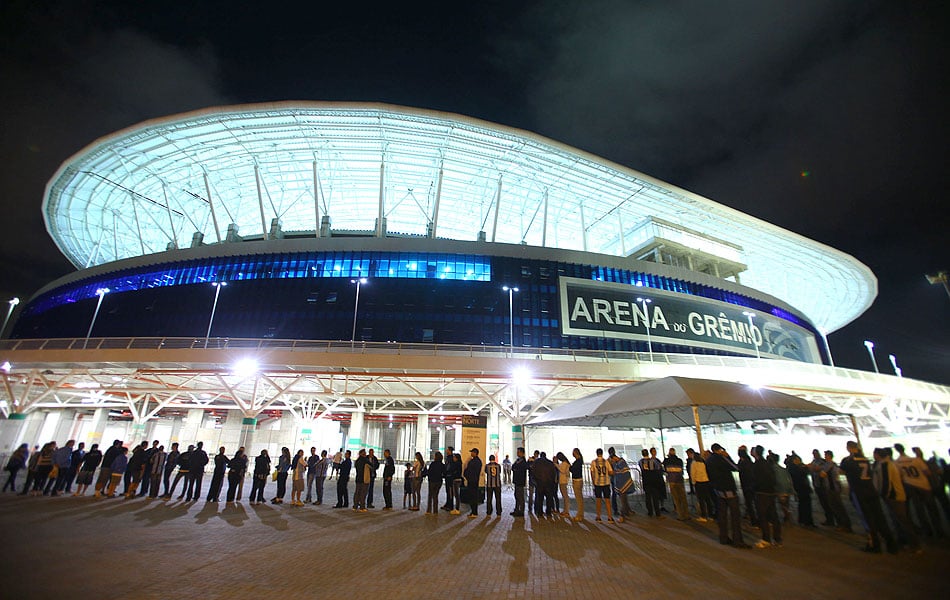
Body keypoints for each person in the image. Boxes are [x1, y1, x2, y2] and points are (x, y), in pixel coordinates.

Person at [840, 441, 896, 554]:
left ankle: (874, 544)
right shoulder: (865, 459)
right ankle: (891, 544)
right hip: (871, 489)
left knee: (867, 519)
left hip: (859, 491)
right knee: (880, 517)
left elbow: (841, 471)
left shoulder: (848, 461)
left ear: (849, 448)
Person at [874, 447, 919, 553]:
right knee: (901, 520)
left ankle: (914, 544)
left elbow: (886, 483)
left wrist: (883, 494)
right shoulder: (892, 464)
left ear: (878, 455)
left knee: (902, 520)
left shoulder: (885, 465)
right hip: (898, 494)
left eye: (875, 454)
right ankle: (906, 542)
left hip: (893, 496)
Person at [894, 443, 944, 538]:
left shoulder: (897, 463)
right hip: (924, 486)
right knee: (932, 509)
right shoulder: (916, 460)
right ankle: (939, 531)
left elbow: (899, 476)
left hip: (911, 486)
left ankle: (927, 532)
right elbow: (927, 472)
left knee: (920, 511)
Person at [706, 443, 750, 548]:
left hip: (718, 490)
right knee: (735, 516)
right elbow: (735, 467)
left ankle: (723, 537)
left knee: (722, 515)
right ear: (719, 450)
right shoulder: (722, 458)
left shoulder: (708, 460)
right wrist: (727, 456)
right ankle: (737, 540)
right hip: (729, 490)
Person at [752, 445, 782, 548]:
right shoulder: (767, 463)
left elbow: (755, 479)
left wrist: (755, 488)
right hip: (770, 493)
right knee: (773, 516)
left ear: (756, 453)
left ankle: (766, 539)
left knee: (763, 516)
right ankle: (777, 539)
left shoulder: (758, 464)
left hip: (761, 493)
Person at [822, 450, 852, 532]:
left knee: (838, 507)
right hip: (831, 487)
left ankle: (844, 524)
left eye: (826, 455)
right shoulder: (830, 464)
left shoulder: (830, 465)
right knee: (835, 507)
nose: (825, 456)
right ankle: (842, 524)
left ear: (829, 456)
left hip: (832, 488)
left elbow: (824, 474)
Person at [787, 454, 815, 526]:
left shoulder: (792, 468)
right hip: (802, 488)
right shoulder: (795, 468)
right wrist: (806, 467)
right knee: (806, 505)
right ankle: (807, 521)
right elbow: (803, 474)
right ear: (795, 460)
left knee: (802, 504)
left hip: (800, 488)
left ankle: (802, 520)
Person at [809, 449, 834, 526]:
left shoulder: (823, 462)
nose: (815, 455)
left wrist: (813, 468)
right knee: (823, 503)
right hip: (817, 485)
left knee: (827, 504)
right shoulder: (814, 461)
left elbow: (820, 470)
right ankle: (829, 519)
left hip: (823, 485)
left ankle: (831, 520)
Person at [607, 448, 633, 522]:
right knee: (623, 499)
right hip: (619, 483)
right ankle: (626, 512)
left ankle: (623, 515)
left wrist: (613, 472)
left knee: (623, 499)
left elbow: (618, 472)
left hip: (621, 483)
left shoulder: (619, 463)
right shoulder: (619, 462)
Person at [664, 448, 690, 521]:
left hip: (672, 480)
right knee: (683, 498)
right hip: (679, 480)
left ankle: (680, 515)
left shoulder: (667, 461)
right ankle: (687, 514)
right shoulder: (679, 460)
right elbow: (682, 471)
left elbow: (664, 469)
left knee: (676, 499)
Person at [591, 448, 614, 523]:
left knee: (598, 500)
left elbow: (592, 472)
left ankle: (598, 516)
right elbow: (610, 472)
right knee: (607, 500)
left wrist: (593, 481)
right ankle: (610, 517)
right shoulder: (606, 462)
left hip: (597, 483)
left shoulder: (594, 462)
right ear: (602, 453)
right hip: (606, 483)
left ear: (596, 453)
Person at [639, 448, 664, 518]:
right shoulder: (653, 461)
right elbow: (658, 468)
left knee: (648, 497)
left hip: (645, 481)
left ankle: (650, 512)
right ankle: (657, 513)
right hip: (654, 481)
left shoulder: (640, 462)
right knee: (655, 497)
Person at [737, 445, 757, 525]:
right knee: (751, 503)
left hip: (747, 485)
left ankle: (754, 520)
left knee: (750, 503)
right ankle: (751, 517)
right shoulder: (747, 461)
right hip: (749, 485)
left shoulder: (744, 461)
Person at [463, 448, 483, 517]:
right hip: (472, 480)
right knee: (472, 497)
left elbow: (471, 471)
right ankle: (473, 511)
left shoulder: (475, 461)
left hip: (473, 481)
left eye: (472, 452)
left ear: (475, 453)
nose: (471, 453)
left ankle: (474, 512)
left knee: (473, 497)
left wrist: (467, 474)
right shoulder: (476, 461)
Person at [510, 447, 528, 517]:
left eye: (518, 452)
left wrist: (516, 469)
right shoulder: (517, 460)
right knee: (516, 496)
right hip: (517, 481)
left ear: (522, 453)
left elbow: (519, 469)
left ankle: (521, 511)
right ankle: (517, 509)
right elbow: (513, 467)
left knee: (520, 496)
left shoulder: (523, 461)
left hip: (520, 481)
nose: (517, 453)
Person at [442, 446, 460, 513]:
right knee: (448, 491)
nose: (446, 451)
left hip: (450, 477)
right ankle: (447, 503)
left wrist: (448, 473)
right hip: (447, 477)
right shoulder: (448, 458)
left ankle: (450, 505)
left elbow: (450, 467)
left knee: (450, 491)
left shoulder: (452, 458)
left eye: (447, 450)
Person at [570, 448, 585, 522]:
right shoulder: (580, 461)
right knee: (580, 498)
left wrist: (570, 467)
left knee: (578, 498)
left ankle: (579, 515)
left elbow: (573, 470)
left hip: (577, 480)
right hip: (579, 480)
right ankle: (580, 514)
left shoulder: (578, 461)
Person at [554, 452, 571, 517]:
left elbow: (562, 470)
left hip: (563, 481)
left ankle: (566, 511)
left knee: (565, 496)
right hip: (563, 481)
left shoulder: (564, 463)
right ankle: (565, 510)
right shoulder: (565, 463)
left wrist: (556, 464)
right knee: (565, 496)